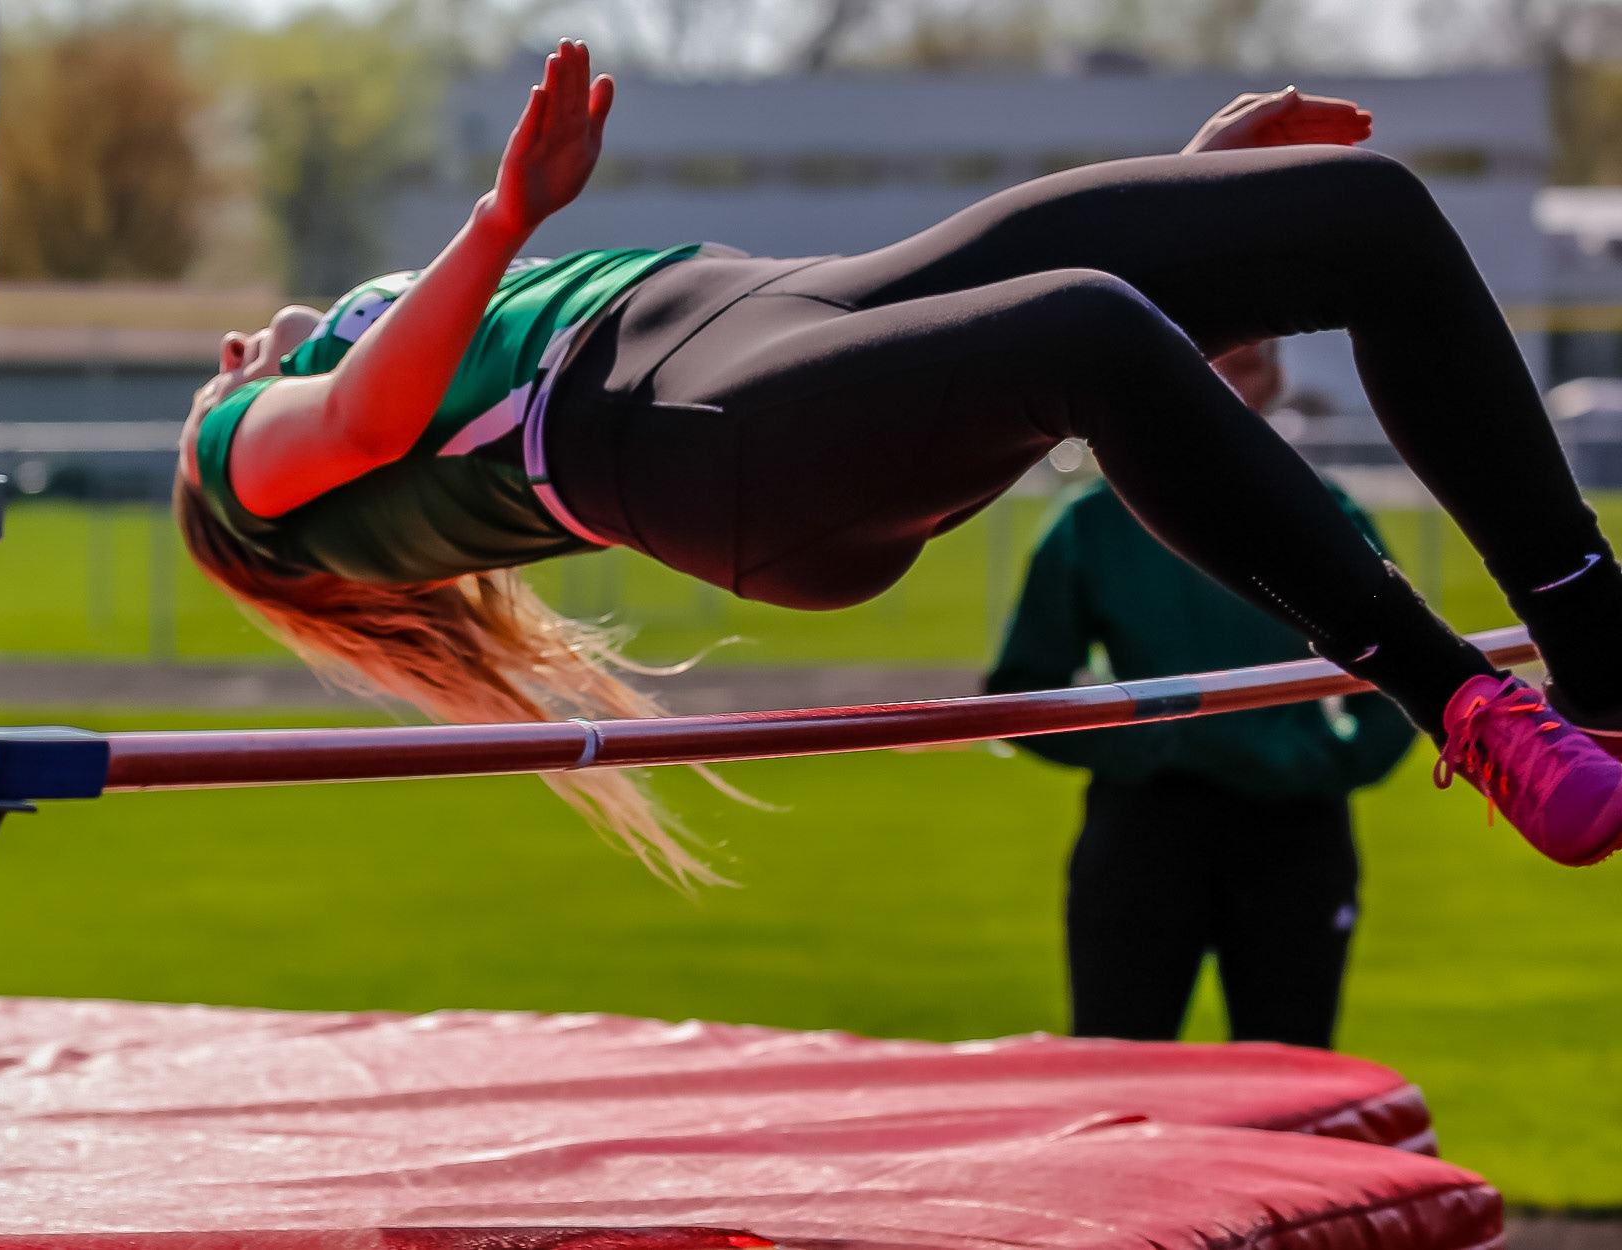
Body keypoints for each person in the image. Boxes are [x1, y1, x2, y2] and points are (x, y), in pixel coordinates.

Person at [176, 40, 1622, 887]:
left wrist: (1186, 200)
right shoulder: (239, 457)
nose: (233, 344)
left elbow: (938, 351)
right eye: (220, 361)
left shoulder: (385, 395)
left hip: (787, 331)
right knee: (1089, 330)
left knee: (1355, 213)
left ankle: (1600, 649)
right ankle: (1466, 706)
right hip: (694, 428)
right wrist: (500, 216)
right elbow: (367, 419)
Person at [988, 340, 1415, 1048]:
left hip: (1295, 832)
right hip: (1146, 832)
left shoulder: (1326, 516)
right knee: (1119, 1066)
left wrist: (1331, 761)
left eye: (1245, 362)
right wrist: (1148, 745)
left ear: (1276, 377)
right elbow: (1022, 689)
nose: (1221, 384)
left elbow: (1403, 669)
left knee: (1291, 1075)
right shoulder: (1091, 525)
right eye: (1201, 360)